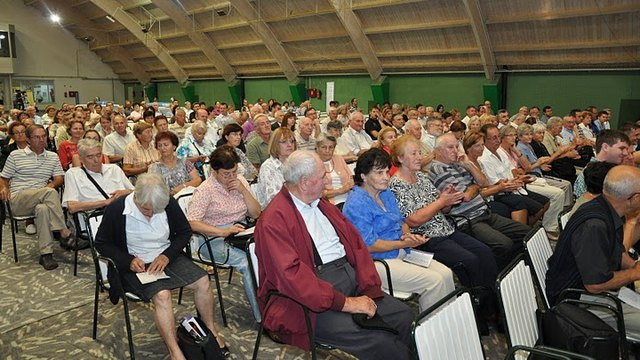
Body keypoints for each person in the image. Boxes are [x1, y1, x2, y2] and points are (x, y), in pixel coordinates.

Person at [254, 150, 413, 359]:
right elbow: (293, 278)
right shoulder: (273, 220)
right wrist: (347, 303)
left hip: (350, 279)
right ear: (304, 182)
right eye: (322, 176)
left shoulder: (322, 205)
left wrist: (367, 285)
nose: (328, 180)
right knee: (380, 342)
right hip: (311, 299)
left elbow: (356, 245)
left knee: (404, 317)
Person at [94, 173, 228, 359]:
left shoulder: (167, 203)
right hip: (135, 265)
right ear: (136, 197)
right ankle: (174, 350)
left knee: (203, 280)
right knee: (162, 295)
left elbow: (184, 232)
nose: (150, 214)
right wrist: (128, 260)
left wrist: (167, 256)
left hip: (166, 257)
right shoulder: (117, 209)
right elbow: (101, 243)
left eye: (155, 210)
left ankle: (211, 330)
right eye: (146, 209)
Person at [343, 148, 457, 311]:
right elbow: (369, 245)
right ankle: (430, 330)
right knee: (434, 282)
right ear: (363, 176)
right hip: (376, 261)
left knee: (446, 274)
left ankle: (449, 324)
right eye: (379, 173)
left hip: (400, 251)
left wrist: (408, 236)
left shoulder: (385, 193)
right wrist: (402, 244)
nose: (386, 177)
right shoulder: (356, 203)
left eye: (387, 172)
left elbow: (401, 221)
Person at [545, 165, 640, 339]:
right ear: (634, 198)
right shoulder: (595, 224)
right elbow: (595, 284)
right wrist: (635, 273)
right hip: (576, 303)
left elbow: (616, 253)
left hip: (589, 291)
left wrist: (634, 266)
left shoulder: (605, 208)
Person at [427, 133, 531, 268]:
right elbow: (466, 196)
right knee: (504, 244)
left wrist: (469, 165)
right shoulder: (439, 169)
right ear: (438, 151)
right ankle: (499, 275)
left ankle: (511, 267)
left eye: (456, 147)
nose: (455, 151)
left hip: (484, 212)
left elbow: (484, 182)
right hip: (468, 220)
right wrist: (475, 186)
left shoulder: (458, 164)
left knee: (526, 232)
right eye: (450, 147)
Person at [187, 145, 262, 322]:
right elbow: (192, 222)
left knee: (269, 253)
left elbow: (256, 213)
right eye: (226, 174)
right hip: (213, 239)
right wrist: (221, 231)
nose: (231, 177)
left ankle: (276, 305)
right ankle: (263, 318)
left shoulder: (240, 181)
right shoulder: (206, 189)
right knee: (247, 263)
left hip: (241, 232)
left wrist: (243, 191)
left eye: (234, 172)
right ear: (214, 171)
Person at [0, 125, 74, 270]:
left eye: (43, 136)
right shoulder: (16, 155)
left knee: (43, 209)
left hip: (42, 198)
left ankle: (46, 254)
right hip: (18, 199)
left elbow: (59, 178)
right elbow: (3, 177)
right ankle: (64, 232)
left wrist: (52, 184)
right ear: (28, 139)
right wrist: (3, 187)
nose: (41, 140)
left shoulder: (52, 156)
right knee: (49, 193)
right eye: (36, 137)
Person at [573, 130, 631, 198]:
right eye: (622, 148)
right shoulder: (588, 176)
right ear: (605, 147)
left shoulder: (612, 169)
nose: (626, 153)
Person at [255, 127, 296, 208]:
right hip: (277, 212)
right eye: (284, 142)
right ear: (275, 144)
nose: (290, 145)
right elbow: (272, 199)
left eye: (292, 141)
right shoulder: (268, 167)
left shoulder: (296, 163)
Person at [315, 134, 354, 205]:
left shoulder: (339, 158)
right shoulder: (314, 164)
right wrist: (341, 191)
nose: (327, 150)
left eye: (331, 147)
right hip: (332, 203)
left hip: (350, 197)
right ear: (317, 148)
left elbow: (351, 178)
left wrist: (349, 187)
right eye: (323, 147)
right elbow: (320, 194)